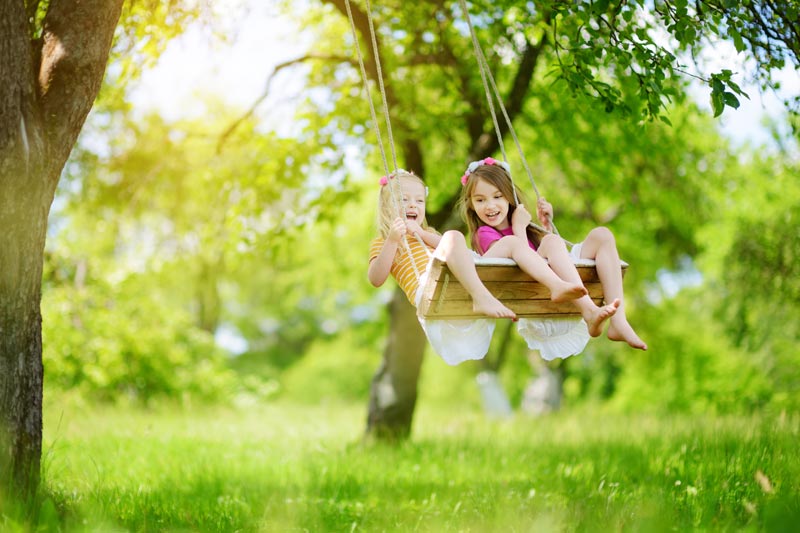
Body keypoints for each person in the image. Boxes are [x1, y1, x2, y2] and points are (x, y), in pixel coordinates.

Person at [459, 157, 647, 351]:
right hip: (526, 289)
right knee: (537, 241)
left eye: (497, 196)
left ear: (510, 196)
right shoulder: (484, 234)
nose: (490, 205)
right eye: (480, 200)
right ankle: (589, 310)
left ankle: (619, 322)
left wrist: (545, 227)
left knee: (602, 235)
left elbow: (542, 257)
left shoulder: (521, 226)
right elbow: (521, 263)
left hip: (552, 283)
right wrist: (519, 227)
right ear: (471, 204)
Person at [368, 169, 516, 365]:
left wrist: (421, 233)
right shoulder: (384, 242)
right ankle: (481, 297)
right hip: (431, 288)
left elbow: (449, 247)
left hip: (462, 277)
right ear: (387, 207)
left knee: (510, 243)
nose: (413, 204)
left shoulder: (427, 233)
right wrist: (393, 240)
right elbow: (375, 278)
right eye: (404, 200)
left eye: (420, 201)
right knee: (454, 236)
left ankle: (550, 280)